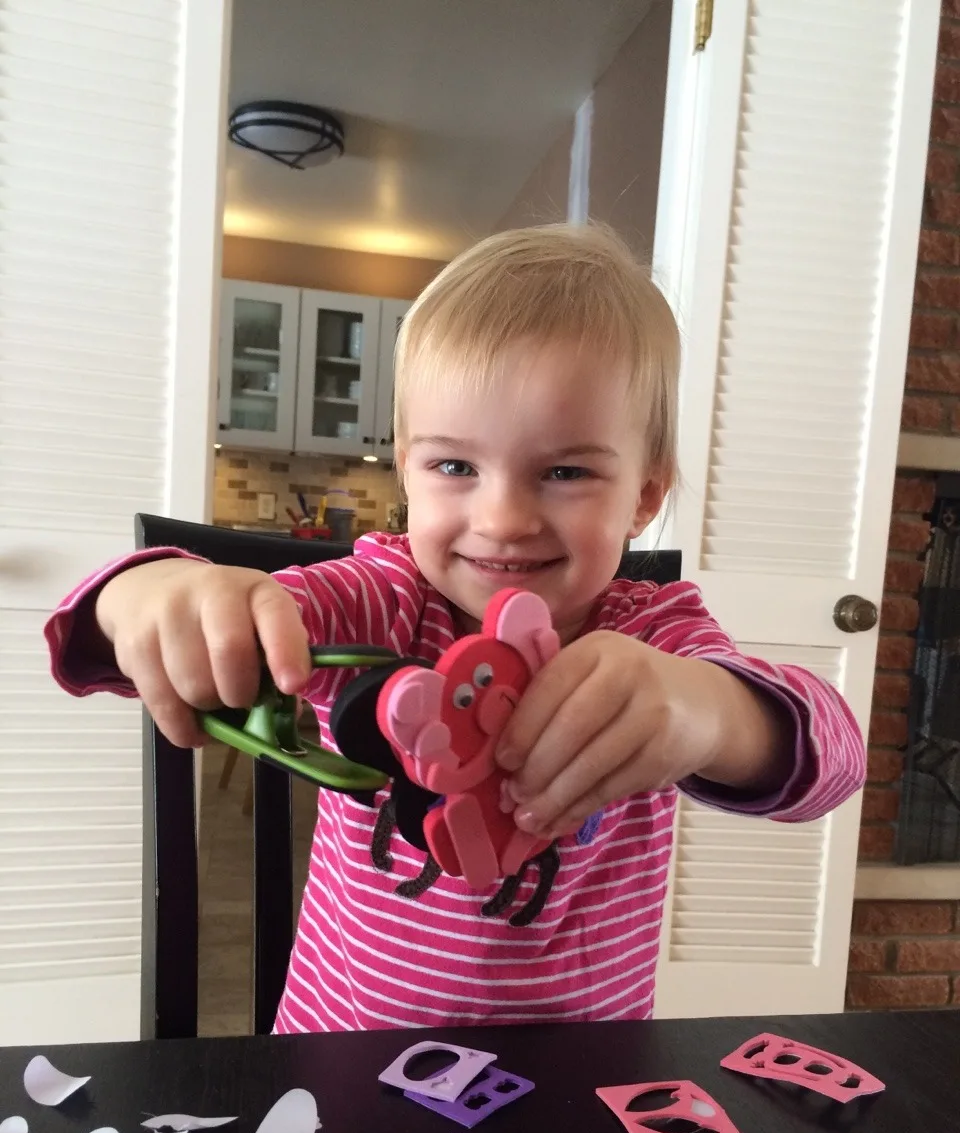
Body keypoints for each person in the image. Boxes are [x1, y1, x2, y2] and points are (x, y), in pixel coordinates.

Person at [45, 223, 865, 1033]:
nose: (503, 518)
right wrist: (152, 594)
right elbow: (125, 631)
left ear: (645, 496)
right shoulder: (382, 595)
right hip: (343, 1055)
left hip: (576, 1083)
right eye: (455, 466)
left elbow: (836, 758)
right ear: (406, 468)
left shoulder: (654, 634)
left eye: (567, 471)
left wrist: (711, 712)